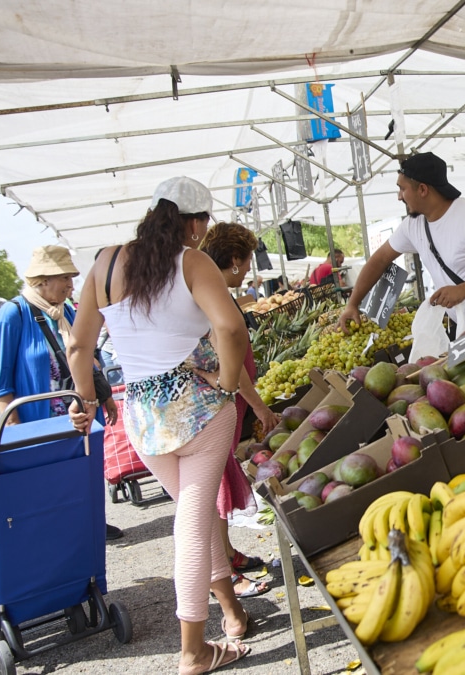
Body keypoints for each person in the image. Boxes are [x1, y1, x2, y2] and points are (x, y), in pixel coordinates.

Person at [67, 176, 252, 674]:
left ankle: (231, 615)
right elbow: (231, 326)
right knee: (193, 525)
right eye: (205, 222)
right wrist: (229, 384)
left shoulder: (105, 263)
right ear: (194, 221)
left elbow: (79, 348)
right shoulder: (192, 261)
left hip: (142, 418)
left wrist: (84, 400)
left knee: (197, 515)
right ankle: (193, 651)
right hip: (199, 410)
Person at [0, 245, 123, 542]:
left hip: (78, 413)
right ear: (42, 280)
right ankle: (58, 533)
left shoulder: (68, 311)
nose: (71, 285)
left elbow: (87, 356)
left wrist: (106, 396)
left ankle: (91, 523)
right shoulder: (14, 313)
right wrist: (15, 428)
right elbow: (0, 381)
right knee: (48, 480)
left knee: (84, 471)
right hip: (41, 419)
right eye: (64, 277)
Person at [339, 152, 465, 334]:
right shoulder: (413, 225)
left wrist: (463, 290)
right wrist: (353, 304)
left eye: (402, 189)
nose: (399, 197)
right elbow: (380, 260)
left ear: (423, 190)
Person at [198, 223, 281, 598]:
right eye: (246, 262)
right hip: (221, 401)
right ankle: (225, 574)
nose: (248, 270)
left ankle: (229, 554)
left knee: (220, 482)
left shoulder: (214, 291)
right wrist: (259, 406)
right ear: (233, 261)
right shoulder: (211, 295)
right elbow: (225, 358)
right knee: (215, 489)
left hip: (227, 401)